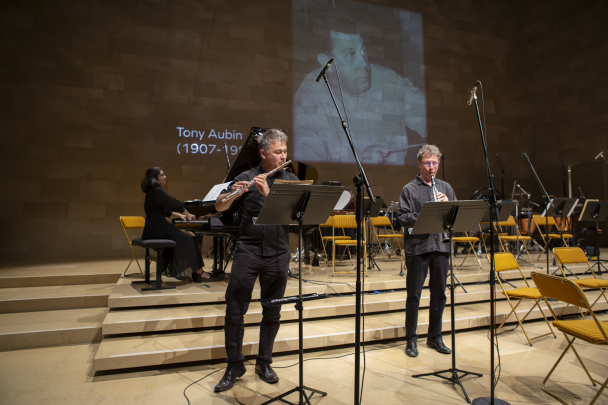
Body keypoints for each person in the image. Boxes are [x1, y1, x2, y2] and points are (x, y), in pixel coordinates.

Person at [213, 129, 299, 392]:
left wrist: (267, 195)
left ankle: (264, 362)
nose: (284, 155)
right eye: (278, 152)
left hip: (278, 252)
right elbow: (218, 206)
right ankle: (234, 365)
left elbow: (295, 218)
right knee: (235, 310)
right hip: (247, 251)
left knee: (272, 311)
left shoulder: (291, 181)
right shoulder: (246, 177)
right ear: (263, 154)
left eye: (285, 151)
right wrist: (234, 195)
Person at [293, 13, 426, 165]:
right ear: (326, 63)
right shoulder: (308, 101)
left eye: (363, 51)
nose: (364, 64)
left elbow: (431, 119)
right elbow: (310, 170)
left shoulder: (388, 81)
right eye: (350, 55)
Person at [397, 144, 456, 358]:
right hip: (418, 248)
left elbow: (455, 216)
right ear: (419, 164)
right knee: (414, 295)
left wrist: (448, 205)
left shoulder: (446, 189)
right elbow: (402, 217)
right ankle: (411, 339)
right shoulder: (409, 189)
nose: (432, 167)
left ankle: (435, 337)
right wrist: (427, 213)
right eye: (428, 163)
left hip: (441, 246)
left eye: (435, 163)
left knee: (439, 294)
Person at [141, 167, 210, 282]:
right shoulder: (157, 190)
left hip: (151, 228)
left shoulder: (150, 193)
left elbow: (164, 211)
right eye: (162, 175)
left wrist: (179, 216)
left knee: (183, 239)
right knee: (188, 239)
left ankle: (174, 268)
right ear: (155, 178)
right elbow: (172, 202)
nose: (165, 177)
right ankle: (199, 271)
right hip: (158, 227)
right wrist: (187, 213)